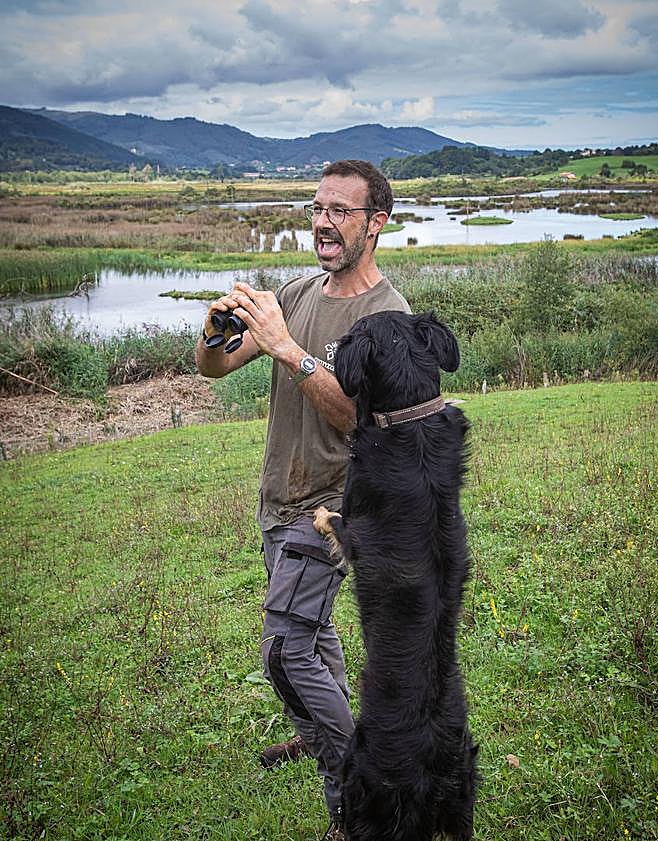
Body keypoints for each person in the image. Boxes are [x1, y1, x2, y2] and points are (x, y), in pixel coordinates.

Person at [196, 160, 410, 840]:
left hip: (332, 506)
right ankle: (321, 734)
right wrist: (213, 332)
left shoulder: (389, 316)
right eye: (317, 207)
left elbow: (360, 418)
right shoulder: (298, 289)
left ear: (376, 222)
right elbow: (216, 366)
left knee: (284, 651)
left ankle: (359, 797)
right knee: (313, 635)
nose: (321, 221)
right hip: (277, 495)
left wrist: (289, 348)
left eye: (340, 210)